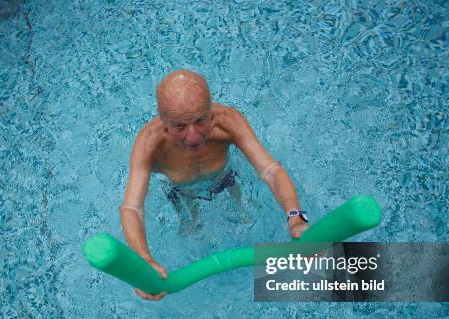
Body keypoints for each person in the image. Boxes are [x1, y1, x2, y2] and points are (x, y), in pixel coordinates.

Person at [120, 70, 309, 300]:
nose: (193, 136)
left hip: (226, 180)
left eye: (200, 120)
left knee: (246, 220)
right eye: (179, 126)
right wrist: (144, 260)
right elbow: (132, 207)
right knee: (191, 234)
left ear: (210, 110)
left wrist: (296, 216)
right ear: (163, 121)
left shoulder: (228, 122)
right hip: (181, 193)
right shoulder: (149, 143)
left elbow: (270, 170)